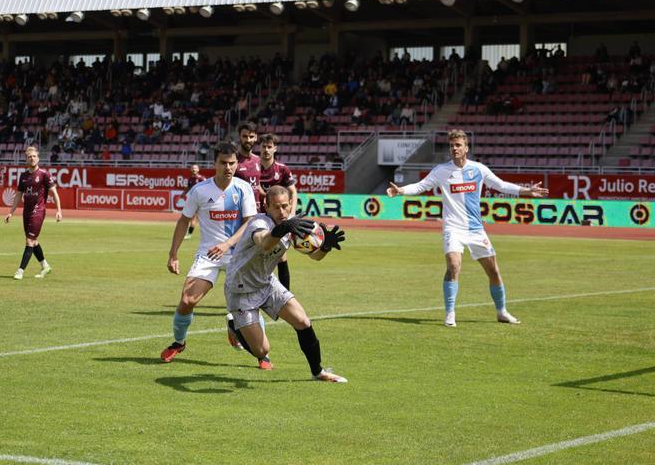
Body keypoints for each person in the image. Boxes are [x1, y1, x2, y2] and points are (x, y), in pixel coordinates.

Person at [386, 130, 549, 327]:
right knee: (454, 266)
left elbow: (501, 185)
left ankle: (501, 311)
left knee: (494, 272)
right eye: (451, 146)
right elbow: (421, 186)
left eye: (458, 145)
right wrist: (401, 190)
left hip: (475, 230)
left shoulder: (479, 169)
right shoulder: (441, 170)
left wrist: (526, 191)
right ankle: (450, 312)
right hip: (453, 228)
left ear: (466, 148)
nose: (454, 149)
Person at [161, 141, 272, 369]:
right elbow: (183, 221)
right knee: (186, 301)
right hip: (208, 255)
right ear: (214, 163)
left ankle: (262, 355)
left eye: (232, 163)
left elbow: (251, 222)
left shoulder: (243, 189)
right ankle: (179, 342)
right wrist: (173, 253)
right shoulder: (200, 190)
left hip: (240, 255)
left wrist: (228, 243)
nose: (228, 167)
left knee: (250, 304)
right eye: (223, 163)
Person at [225, 185, 347, 383]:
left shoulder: (292, 226)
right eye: (276, 207)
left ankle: (318, 372)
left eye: (285, 206)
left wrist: (325, 246)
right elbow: (264, 242)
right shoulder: (259, 222)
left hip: (266, 283)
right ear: (267, 207)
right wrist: (283, 228)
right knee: (262, 350)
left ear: (291, 204)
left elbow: (315, 257)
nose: (281, 212)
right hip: (241, 290)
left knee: (302, 321)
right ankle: (234, 325)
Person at [5, 146, 63, 280]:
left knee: (29, 240)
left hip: (39, 210)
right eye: (29, 156)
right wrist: (11, 212)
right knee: (34, 241)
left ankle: (20, 271)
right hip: (27, 212)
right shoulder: (23, 176)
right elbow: (19, 195)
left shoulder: (44, 174)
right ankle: (45, 266)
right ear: (26, 159)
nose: (32, 158)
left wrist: (59, 210)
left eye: (34, 156)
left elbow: (54, 193)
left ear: (38, 157)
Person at [257, 133, 298, 290]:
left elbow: (293, 192)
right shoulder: (254, 167)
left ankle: (285, 295)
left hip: (277, 219)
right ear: (259, 148)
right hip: (257, 218)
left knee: (280, 255)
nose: (266, 150)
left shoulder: (282, 169)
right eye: (263, 146)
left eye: (269, 146)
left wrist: (291, 214)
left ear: (275, 148)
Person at [182, 164, 206, 240]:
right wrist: (182, 195)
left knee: (193, 218)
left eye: (195, 168)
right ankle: (189, 233)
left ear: (198, 169)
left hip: (200, 201)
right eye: (192, 168)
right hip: (193, 200)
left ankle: (189, 234)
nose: (194, 169)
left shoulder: (202, 179)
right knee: (192, 218)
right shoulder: (190, 179)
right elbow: (188, 188)